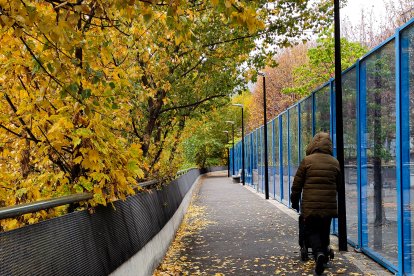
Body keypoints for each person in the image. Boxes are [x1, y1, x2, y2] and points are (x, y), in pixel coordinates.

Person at [290, 132, 340, 275]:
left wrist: (294, 201)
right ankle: (323, 253)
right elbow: (339, 185)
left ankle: (318, 253)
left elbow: (297, 185)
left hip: (310, 205)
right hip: (328, 204)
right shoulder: (334, 162)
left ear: (312, 145)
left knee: (311, 229)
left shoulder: (307, 161)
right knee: (324, 229)